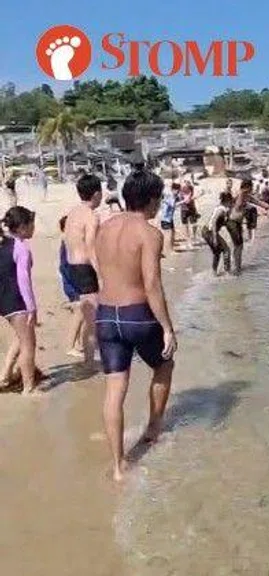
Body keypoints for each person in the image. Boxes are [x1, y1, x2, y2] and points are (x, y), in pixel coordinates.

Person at [95, 168, 177, 482]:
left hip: (106, 314)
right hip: (137, 314)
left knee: (115, 389)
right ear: (152, 200)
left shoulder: (104, 227)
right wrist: (167, 327)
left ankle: (118, 466)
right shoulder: (149, 233)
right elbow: (152, 284)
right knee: (164, 365)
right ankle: (154, 428)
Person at [63, 174, 103, 363]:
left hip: (70, 266)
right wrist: (101, 274)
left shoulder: (73, 212)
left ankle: (78, 349)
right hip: (84, 268)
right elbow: (91, 247)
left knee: (83, 310)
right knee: (93, 317)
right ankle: (91, 360)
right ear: (96, 194)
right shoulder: (91, 216)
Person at [0, 207, 41, 395]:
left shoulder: (4, 244)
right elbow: (23, 280)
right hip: (17, 301)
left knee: (21, 337)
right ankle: (28, 387)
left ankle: (5, 375)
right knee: (28, 344)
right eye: (32, 224)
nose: (34, 228)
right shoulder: (21, 247)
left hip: (4, 300)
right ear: (23, 227)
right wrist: (31, 308)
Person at [59, 216, 85, 356]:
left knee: (81, 314)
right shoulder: (68, 243)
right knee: (79, 313)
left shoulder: (67, 242)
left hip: (72, 282)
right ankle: (71, 346)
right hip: (74, 284)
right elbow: (67, 267)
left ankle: (79, 343)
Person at [200, 192, 234, 275]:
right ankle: (227, 272)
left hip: (206, 231)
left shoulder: (220, 208)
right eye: (231, 202)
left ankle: (214, 272)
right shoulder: (221, 210)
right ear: (227, 201)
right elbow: (214, 221)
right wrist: (215, 238)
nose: (231, 204)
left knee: (217, 252)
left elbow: (222, 222)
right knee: (226, 250)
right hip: (209, 232)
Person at [179, 180, 200, 245]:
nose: (186, 187)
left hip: (192, 208)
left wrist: (196, 196)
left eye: (188, 185)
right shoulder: (181, 190)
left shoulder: (191, 188)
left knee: (194, 223)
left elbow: (193, 197)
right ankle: (188, 240)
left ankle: (194, 237)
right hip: (184, 209)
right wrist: (188, 199)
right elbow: (186, 201)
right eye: (185, 185)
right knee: (185, 225)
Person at [159, 184, 178, 254]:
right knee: (168, 234)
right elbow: (173, 205)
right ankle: (169, 250)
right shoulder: (170, 196)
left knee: (172, 233)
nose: (177, 192)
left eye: (178, 190)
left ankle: (171, 249)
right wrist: (184, 201)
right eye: (176, 190)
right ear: (173, 190)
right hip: (165, 218)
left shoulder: (172, 196)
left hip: (169, 218)